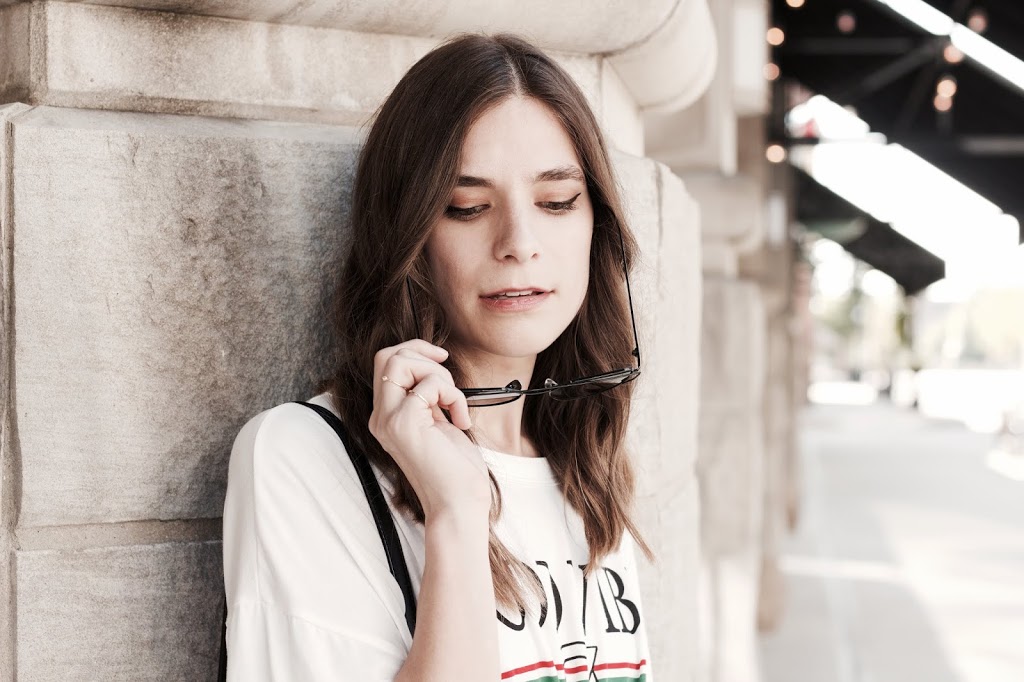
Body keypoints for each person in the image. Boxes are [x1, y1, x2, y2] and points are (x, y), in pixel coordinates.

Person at [222, 32, 656, 681]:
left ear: (598, 228)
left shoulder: (585, 464)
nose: (519, 242)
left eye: (557, 201)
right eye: (468, 208)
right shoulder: (303, 459)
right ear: (410, 234)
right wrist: (455, 516)